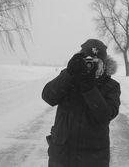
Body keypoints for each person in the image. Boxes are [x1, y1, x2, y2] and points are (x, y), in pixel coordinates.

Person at [42, 39, 121, 167]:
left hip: (94, 157)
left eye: (97, 62)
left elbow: (105, 116)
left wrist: (89, 88)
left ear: (104, 64)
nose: (91, 66)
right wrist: (69, 73)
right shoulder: (69, 78)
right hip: (62, 154)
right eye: (88, 61)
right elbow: (48, 97)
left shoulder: (111, 86)